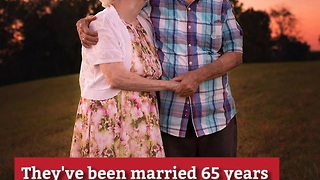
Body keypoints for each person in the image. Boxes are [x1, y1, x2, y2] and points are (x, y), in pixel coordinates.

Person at [77, 0, 243, 157]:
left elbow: (235, 54)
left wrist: (197, 76)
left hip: (217, 114)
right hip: (169, 119)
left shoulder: (221, 4)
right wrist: (87, 22)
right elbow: (117, 11)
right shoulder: (153, 4)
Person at [70, 0, 179, 157]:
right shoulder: (102, 24)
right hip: (111, 121)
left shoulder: (144, 21)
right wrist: (170, 86)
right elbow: (116, 78)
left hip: (143, 118)